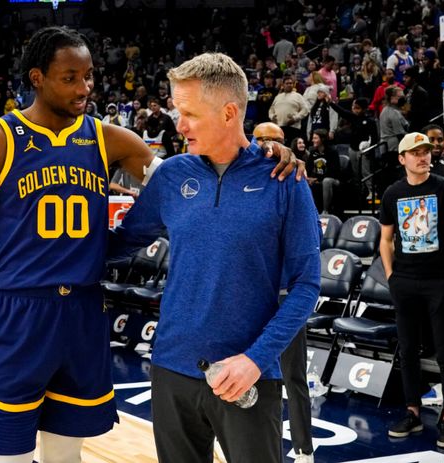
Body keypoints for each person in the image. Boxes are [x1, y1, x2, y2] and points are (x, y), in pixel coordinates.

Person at [0, 27, 299, 463]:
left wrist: (265, 155)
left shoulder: (108, 138)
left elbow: (191, 176)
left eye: (89, 76)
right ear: (37, 78)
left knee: (65, 457)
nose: (84, 88)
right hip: (17, 312)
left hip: (83, 311)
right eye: (70, 78)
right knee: (7, 456)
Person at [111, 53, 320, 463]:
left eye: (189, 113)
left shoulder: (285, 179)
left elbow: (306, 285)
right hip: (171, 367)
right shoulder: (172, 175)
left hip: (247, 375)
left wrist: (256, 360)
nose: (179, 124)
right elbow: (118, 245)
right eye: (177, 111)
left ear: (228, 113)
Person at [379, 132, 444, 448]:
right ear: (402, 158)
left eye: (426, 152)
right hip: (404, 281)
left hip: (438, 281)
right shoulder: (393, 193)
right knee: (407, 350)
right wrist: (391, 275)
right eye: (415, 152)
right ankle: (412, 411)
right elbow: (385, 239)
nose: (423, 157)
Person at [253, 122, 315, 462]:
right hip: (250, 295)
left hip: (285, 295)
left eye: (275, 140)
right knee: (252, 375)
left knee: (294, 376)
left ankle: (304, 448)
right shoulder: (239, 180)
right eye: (262, 139)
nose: (269, 146)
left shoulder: (295, 181)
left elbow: (309, 242)